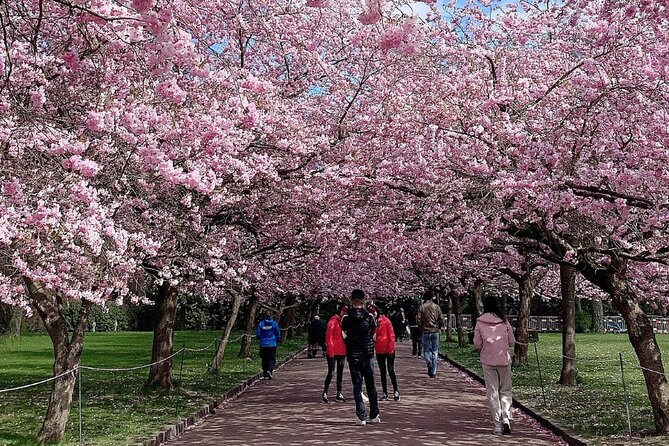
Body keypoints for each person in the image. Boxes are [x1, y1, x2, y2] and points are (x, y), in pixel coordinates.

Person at [474, 296, 516, 436]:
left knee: (492, 393)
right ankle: (506, 418)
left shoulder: (480, 322)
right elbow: (512, 342)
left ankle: (497, 425)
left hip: (487, 360)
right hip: (503, 359)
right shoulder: (504, 321)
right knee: (505, 390)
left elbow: (477, 344)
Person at [341, 289, 380, 426]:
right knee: (371, 386)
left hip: (353, 355)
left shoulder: (346, 318)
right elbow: (374, 334)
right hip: (367, 354)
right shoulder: (369, 317)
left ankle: (361, 416)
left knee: (357, 386)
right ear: (363, 300)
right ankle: (374, 415)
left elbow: (344, 334)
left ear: (351, 300)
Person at [368, 305, 400, 401]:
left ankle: (396, 390)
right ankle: (384, 392)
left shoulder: (385, 321)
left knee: (390, 370)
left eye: (374, 312)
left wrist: (391, 349)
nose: (373, 314)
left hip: (388, 349)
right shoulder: (372, 323)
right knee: (382, 372)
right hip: (379, 350)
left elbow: (391, 335)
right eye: (371, 313)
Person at [322, 304, 349, 403]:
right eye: (343, 311)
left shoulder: (345, 322)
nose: (344, 313)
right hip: (333, 350)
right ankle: (325, 392)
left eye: (346, 311)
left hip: (342, 350)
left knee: (340, 372)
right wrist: (330, 351)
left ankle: (339, 392)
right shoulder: (332, 322)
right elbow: (329, 338)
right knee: (331, 372)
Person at [417, 289, 444, 378]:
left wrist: (421, 328)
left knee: (426, 350)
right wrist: (440, 326)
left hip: (426, 331)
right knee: (435, 351)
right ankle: (434, 371)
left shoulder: (422, 307)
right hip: (435, 331)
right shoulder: (437, 307)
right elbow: (441, 318)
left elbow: (419, 320)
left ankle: (428, 362)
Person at [255, 310, 281, 379]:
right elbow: (278, 333)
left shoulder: (261, 324)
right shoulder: (274, 324)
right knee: (272, 358)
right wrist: (278, 339)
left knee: (264, 359)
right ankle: (270, 370)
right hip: (272, 344)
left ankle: (265, 373)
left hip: (263, 344)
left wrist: (260, 338)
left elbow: (258, 334)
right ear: (271, 316)